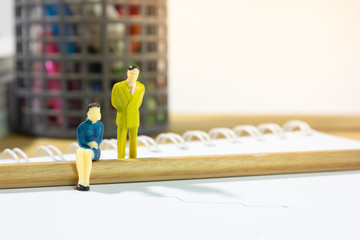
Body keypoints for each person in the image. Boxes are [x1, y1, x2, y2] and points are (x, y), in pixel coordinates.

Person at [111, 65, 145, 159]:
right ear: (127, 73)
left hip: (134, 117)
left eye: (135, 73)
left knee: (133, 141)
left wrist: (132, 109)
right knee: (121, 140)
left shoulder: (141, 87)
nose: (133, 75)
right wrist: (123, 109)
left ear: (138, 74)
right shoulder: (118, 86)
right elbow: (114, 102)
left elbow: (139, 102)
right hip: (123, 116)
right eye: (131, 73)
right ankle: (120, 158)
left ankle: (133, 159)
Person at [75, 103, 104, 191]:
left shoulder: (100, 125)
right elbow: (81, 141)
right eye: (93, 113)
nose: (96, 115)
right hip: (85, 146)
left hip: (95, 149)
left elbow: (99, 140)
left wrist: (94, 144)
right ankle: (80, 181)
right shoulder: (82, 126)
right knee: (79, 152)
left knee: (87, 154)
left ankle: (85, 182)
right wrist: (89, 143)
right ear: (88, 114)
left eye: (98, 112)